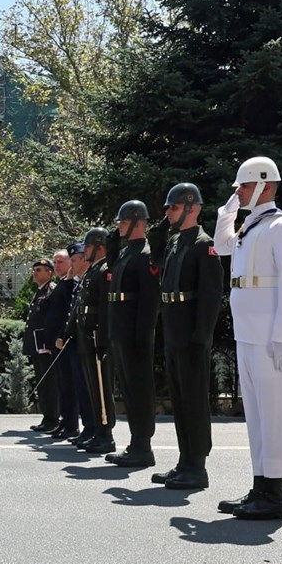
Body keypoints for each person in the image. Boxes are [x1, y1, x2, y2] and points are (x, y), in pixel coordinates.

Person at [213, 157, 282, 520]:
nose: (239, 191)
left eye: (244, 187)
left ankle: (276, 494)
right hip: (248, 333)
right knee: (256, 414)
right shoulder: (250, 228)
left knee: (276, 413)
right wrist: (227, 211)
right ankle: (260, 485)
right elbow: (222, 246)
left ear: (265, 185)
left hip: (271, 337)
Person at [153, 183, 223, 490]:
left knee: (194, 400)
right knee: (180, 400)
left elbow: (210, 296)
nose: (168, 213)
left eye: (174, 208)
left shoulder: (203, 245)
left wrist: (202, 337)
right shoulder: (174, 242)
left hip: (191, 332)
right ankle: (184, 461)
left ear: (192, 208)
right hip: (173, 328)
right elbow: (154, 259)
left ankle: (197, 466)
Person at [105, 200, 161, 468]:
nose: (119, 226)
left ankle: (143, 446)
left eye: (123, 222)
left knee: (139, 391)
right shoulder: (127, 252)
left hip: (135, 333)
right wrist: (115, 237)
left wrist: (142, 336)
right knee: (128, 389)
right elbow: (111, 262)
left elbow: (149, 301)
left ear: (139, 223)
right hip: (121, 329)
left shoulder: (145, 254)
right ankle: (135, 444)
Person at [63, 237, 109, 452]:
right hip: (83, 339)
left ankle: (101, 432)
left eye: (88, 248)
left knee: (97, 389)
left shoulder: (102, 271)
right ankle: (93, 430)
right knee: (86, 387)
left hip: (95, 338)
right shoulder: (88, 276)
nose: (71, 264)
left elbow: (103, 308)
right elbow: (76, 311)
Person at [44, 247, 86, 439]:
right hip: (58, 342)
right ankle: (66, 421)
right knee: (63, 385)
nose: (56, 265)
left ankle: (72, 425)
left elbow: (68, 313)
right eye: (55, 262)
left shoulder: (71, 284)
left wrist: (62, 335)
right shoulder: (64, 283)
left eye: (61, 261)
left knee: (71, 386)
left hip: (68, 341)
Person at [23, 257, 60, 433]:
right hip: (38, 345)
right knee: (43, 382)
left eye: (39, 270)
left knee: (49, 383)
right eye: (34, 269)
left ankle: (53, 418)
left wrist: (47, 342)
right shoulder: (40, 290)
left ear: (49, 273)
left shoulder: (51, 290)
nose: (34, 273)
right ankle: (48, 417)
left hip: (45, 345)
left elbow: (50, 320)